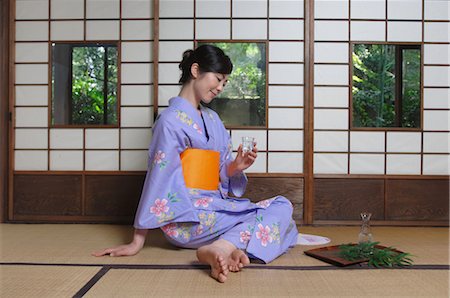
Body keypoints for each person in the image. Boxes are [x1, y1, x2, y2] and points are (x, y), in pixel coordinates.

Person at [93, 45, 299, 283]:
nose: (221, 87)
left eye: (225, 83)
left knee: (282, 206)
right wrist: (137, 241)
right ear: (195, 70)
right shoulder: (169, 121)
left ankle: (221, 248)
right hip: (186, 216)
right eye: (218, 79)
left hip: (215, 206)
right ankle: (230, 246)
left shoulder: (212, 119)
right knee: (274, 223)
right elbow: (159, 177)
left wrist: (235, 167)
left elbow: (220, 170)